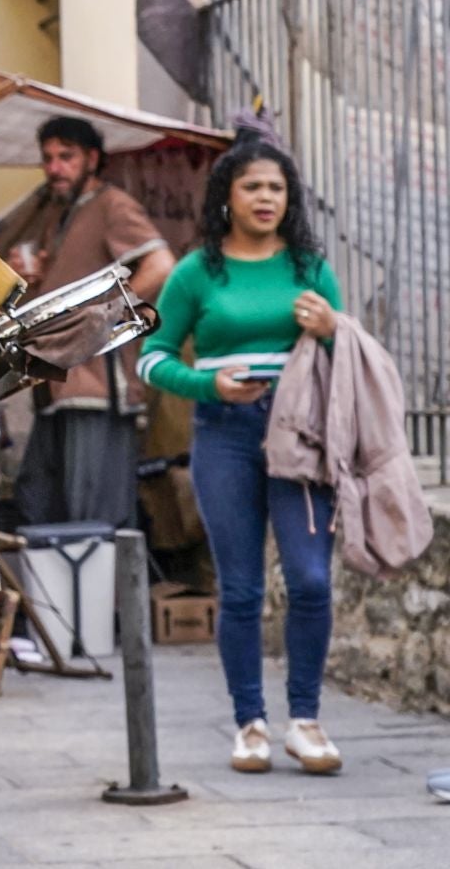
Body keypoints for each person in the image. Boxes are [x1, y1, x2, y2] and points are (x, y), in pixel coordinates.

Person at [137, 135, 344, 776]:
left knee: (310, 580)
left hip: (301, 435)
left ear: (290, 200)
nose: (265, 198)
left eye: (277, 188)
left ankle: (304, 722)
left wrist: (333, 330)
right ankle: (250, 724)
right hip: (223, 432)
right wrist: (208, 384)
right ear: (227, 195)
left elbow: (349, 365)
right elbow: (152, 358)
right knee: (242, 588)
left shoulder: (310, 267)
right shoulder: (197, 271)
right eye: (252, 186)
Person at [8, 116, 176, 529]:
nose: (54, 168)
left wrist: (111, 318)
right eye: (48, 158)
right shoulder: (59, 214)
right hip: (57, 384)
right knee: (39, 504)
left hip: (98, 385)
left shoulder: (112, 204)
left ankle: (104, 596)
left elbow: (161, 264)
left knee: (93, 518)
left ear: (92, 159)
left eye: (66, 157)